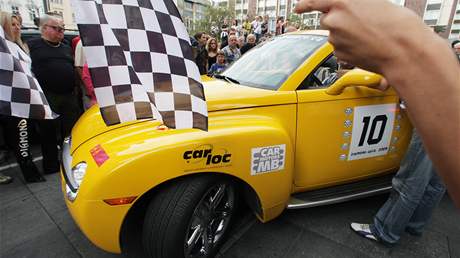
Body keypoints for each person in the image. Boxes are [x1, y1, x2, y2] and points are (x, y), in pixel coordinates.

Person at [294, 0, 460, 207]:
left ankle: (388, 229)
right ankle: (412, 225)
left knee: (412, 181)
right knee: (433, 182)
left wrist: (406, 53)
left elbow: (381, 82)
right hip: (425, 120)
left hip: (426, 123)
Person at [351, 130, 446, 245]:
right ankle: (413, 225)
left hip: (434, 121)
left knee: (409, 180)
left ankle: (384, 231)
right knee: (436, 182)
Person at [28, 15, 81, 175]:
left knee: (71, 131)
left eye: (63, 28)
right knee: (48, 132)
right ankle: (51, 166)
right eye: (57, 28)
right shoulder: (32, 45)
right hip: (46, 97)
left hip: (68, 95)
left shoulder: (65, 46)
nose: (61, 31)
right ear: (44, 28)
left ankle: (72, 160)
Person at [0, 12, 47, 183]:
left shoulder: (19, 46)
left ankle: (30, 171)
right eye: (12, 24)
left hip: (27, 99)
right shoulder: (3, 49)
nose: (18, 27)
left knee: (24, 137)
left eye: (19, 23)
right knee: (22, 138)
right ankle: (30, 174)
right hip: (12, 103)